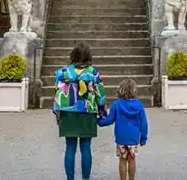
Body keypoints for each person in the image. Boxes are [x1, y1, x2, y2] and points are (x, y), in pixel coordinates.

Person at [53, 42, 107, 180]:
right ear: (88, 56)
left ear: (73, 56)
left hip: (68, 112)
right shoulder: (93, 73)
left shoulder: (63, 73)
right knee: (86, 147)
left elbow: (58, 92)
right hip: (87, 112)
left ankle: (70, 178)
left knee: (70, 147)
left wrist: (57, 113)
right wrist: (102, 114)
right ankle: (85, 178)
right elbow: (100, 96)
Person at [97, 78, 148, 180]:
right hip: (133, 137)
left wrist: (98, 121)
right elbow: (144, 123)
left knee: (122, 160)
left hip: (121, 137)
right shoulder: (139, 105)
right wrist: (143, 138)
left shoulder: (116, 104)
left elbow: (110, 120)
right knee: (132, 159)